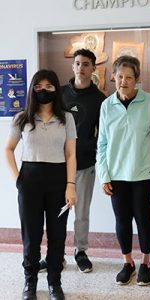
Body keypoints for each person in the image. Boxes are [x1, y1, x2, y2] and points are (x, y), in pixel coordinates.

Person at [4, 69, 77, 300]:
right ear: (32, 89)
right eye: (38, 86)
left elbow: (70, 155)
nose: (43, 90)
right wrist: (18, 178)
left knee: (57, 235)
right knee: (31, 235)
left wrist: (71, 185)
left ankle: (54, 283)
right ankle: (30, 283)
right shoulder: (22, 118)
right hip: (30, 179)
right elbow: (8, 149)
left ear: (56, 88)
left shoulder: (67, 118)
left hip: (58, 179)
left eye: (48, 86)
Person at [39, 49, 106, 273]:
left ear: (93, 68)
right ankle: (55, 256)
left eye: (86, 64)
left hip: (85, 163)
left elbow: (104, 133)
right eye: (77, 63)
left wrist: (93, 149)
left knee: (82, 212)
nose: (81, 68)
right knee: (57, 212)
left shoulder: (100, 99)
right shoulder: (60, 94)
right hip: (58, 165)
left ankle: (80, 251)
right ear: (72, 66)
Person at [97, 55, 150, 286]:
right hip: (116, 175)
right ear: (113, 77)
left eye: (129, 77)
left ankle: (145, 262)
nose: (123, 81)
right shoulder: (106, 105)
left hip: (143, 174)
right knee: (122, 220)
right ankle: (127, 262)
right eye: (120, 76)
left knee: (144, 220)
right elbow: (102, 143)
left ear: (137, 79)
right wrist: (104, 175)